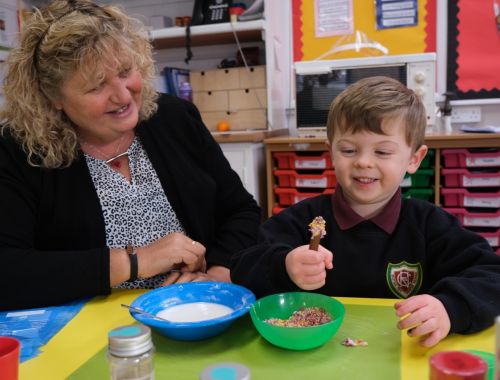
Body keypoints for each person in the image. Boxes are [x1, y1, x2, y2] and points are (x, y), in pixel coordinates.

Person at [0, 0, 261, 311]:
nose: (123, 96)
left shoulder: (174, 118)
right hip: (84, 333)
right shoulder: (20, 149)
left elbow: (241, 211)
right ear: (53, 96)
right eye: (97, 87)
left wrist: (219, 275)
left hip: (194, 312)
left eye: (125, 72)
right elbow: (8, 271)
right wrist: (135, 262)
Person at [231, 76, 500, 347]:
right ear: (331, 153)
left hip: (399, 354)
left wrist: (450, 307)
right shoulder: (305, 219)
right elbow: (243, 265)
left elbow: (492, 275)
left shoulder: (430, 225)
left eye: (382, 152)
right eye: (348, 150)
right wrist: (284, 265)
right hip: (313, 356)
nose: (363, 162)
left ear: (414, 159)